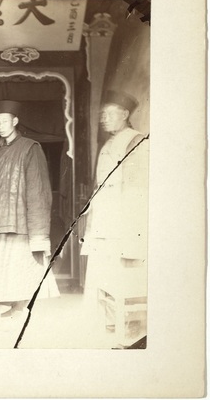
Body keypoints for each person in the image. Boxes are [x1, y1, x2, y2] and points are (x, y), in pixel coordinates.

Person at [0, 100, 59, 319]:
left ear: (15, 121)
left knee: (19, 264)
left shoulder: (30, 147)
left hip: (19, 220)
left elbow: (38, 190)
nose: (0, 126)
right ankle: (4, 302)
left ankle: (20, 305)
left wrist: (38, 229)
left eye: (4, 121)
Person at [81, 91, 149, 315]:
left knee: (119, 268)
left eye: (110, 114)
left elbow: (136, 187)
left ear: (125, 114)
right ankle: (103, 315)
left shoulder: (135, 140)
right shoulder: (108, 143)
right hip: (103, 214)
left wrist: (129, 222)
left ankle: (121, 317)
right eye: (103, 114)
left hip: (121, 217)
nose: (104, 118)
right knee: (102, 265)